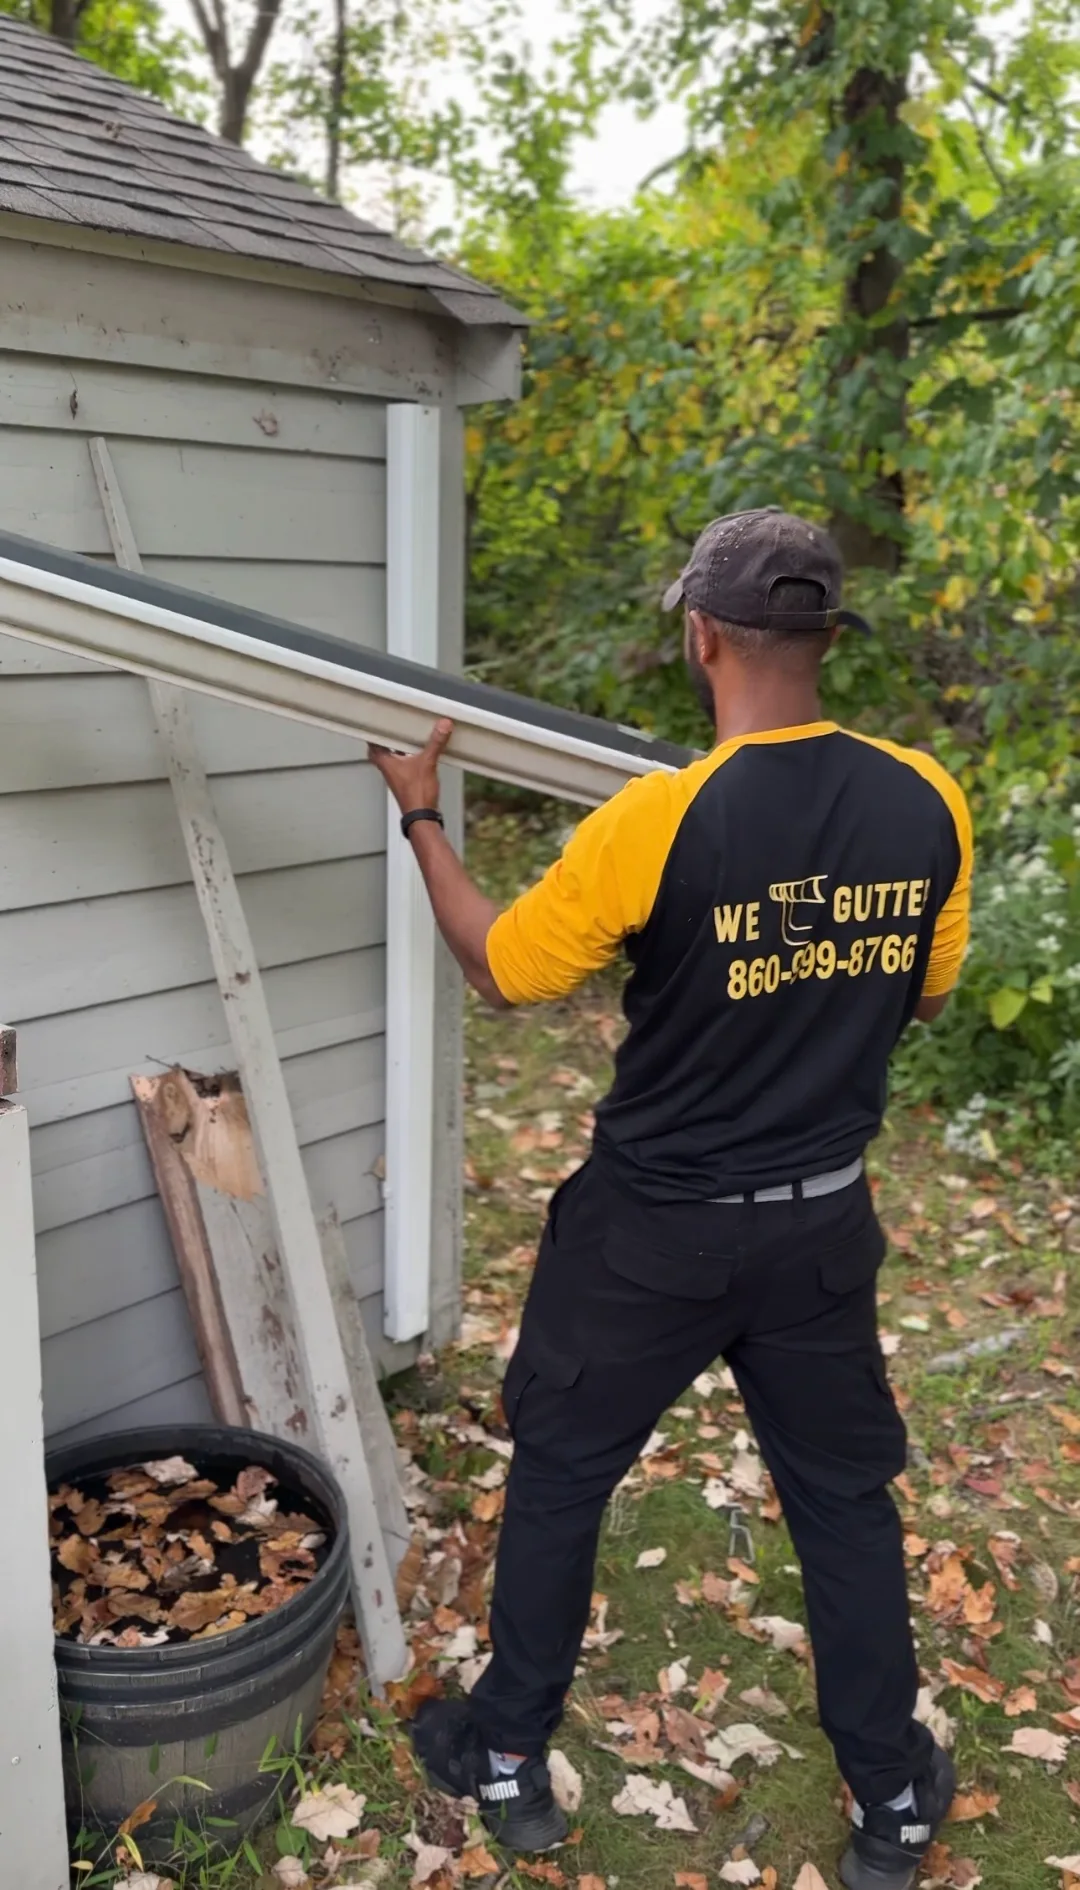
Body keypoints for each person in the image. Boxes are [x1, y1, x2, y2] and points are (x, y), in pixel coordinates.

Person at [370, 508, 972, 1890]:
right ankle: (889, 1798)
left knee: (565, 1474)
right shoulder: (927, 798)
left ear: (701, 635)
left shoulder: (657, 819)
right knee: (843, 1504)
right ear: (828, 638)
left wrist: (418, 808)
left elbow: (504, 968)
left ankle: (511, 1759)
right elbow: (924, 992)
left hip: (651, 1233)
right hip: (822, 1223)